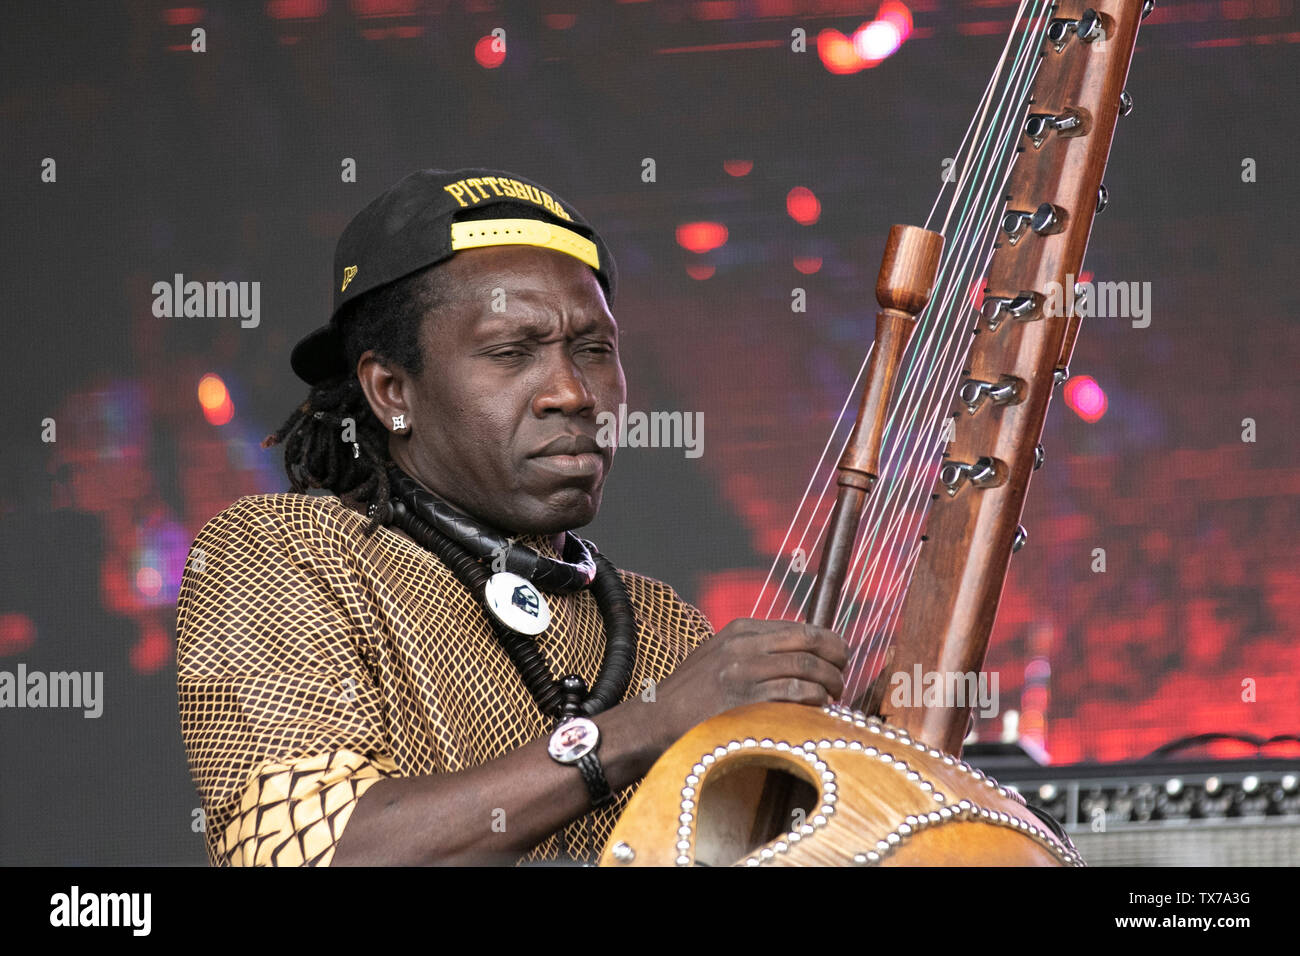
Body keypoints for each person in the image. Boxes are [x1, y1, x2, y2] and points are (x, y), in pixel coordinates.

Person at [175, 167, 848, 866]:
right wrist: (647, 725)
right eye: (510, 352)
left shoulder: (663, 625)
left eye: (593, 349)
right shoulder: (281, 553)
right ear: (391, 390)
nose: (572, 391)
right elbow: (312, 855)